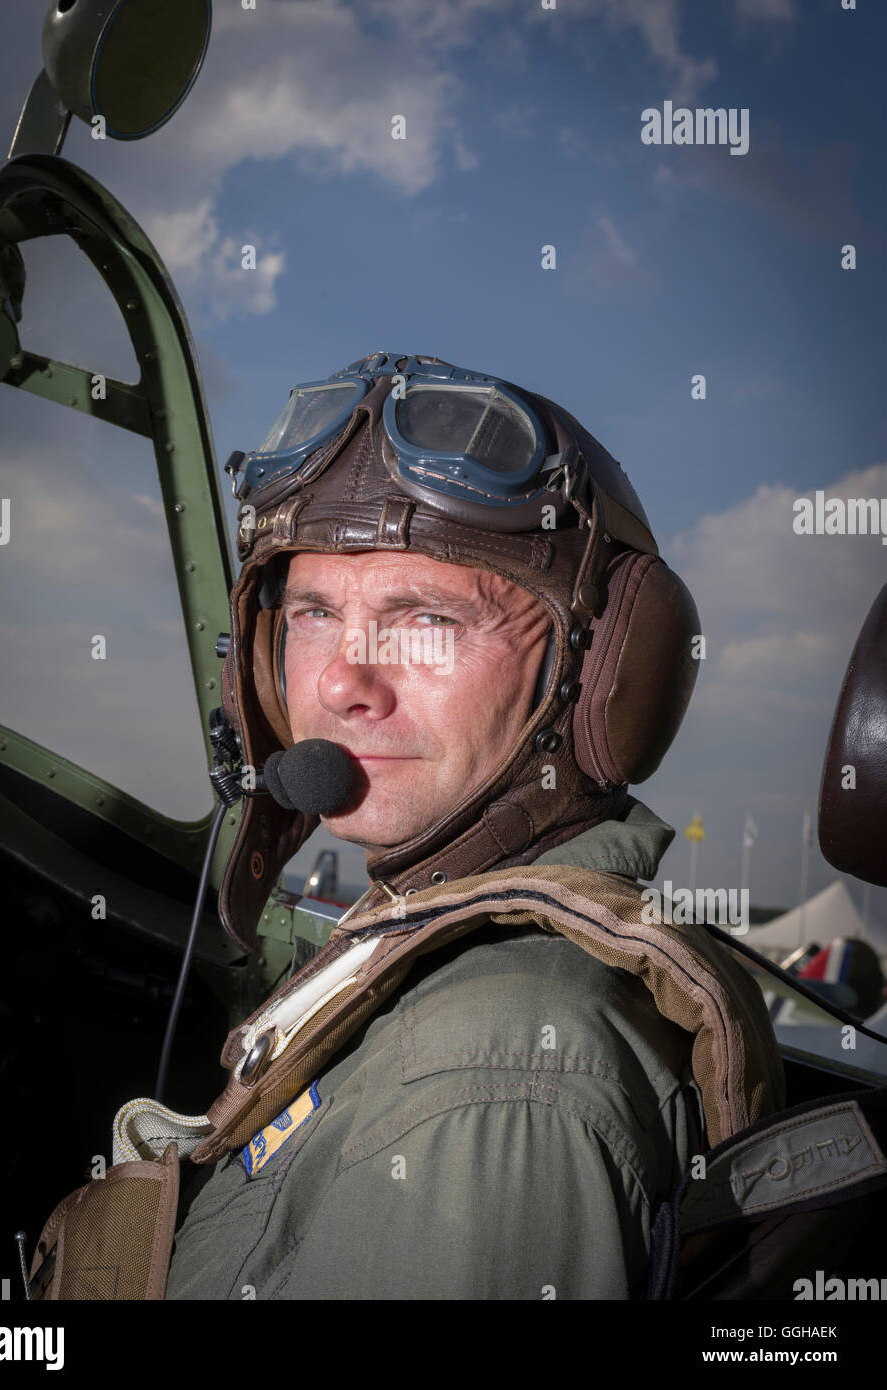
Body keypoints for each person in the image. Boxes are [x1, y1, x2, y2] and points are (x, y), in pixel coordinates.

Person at [163, 352, 784, 1300]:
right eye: (316, 611)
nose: (339, 683)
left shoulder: (486, 1078)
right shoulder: (429, 944)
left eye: (425, 618)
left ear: (599, 678)